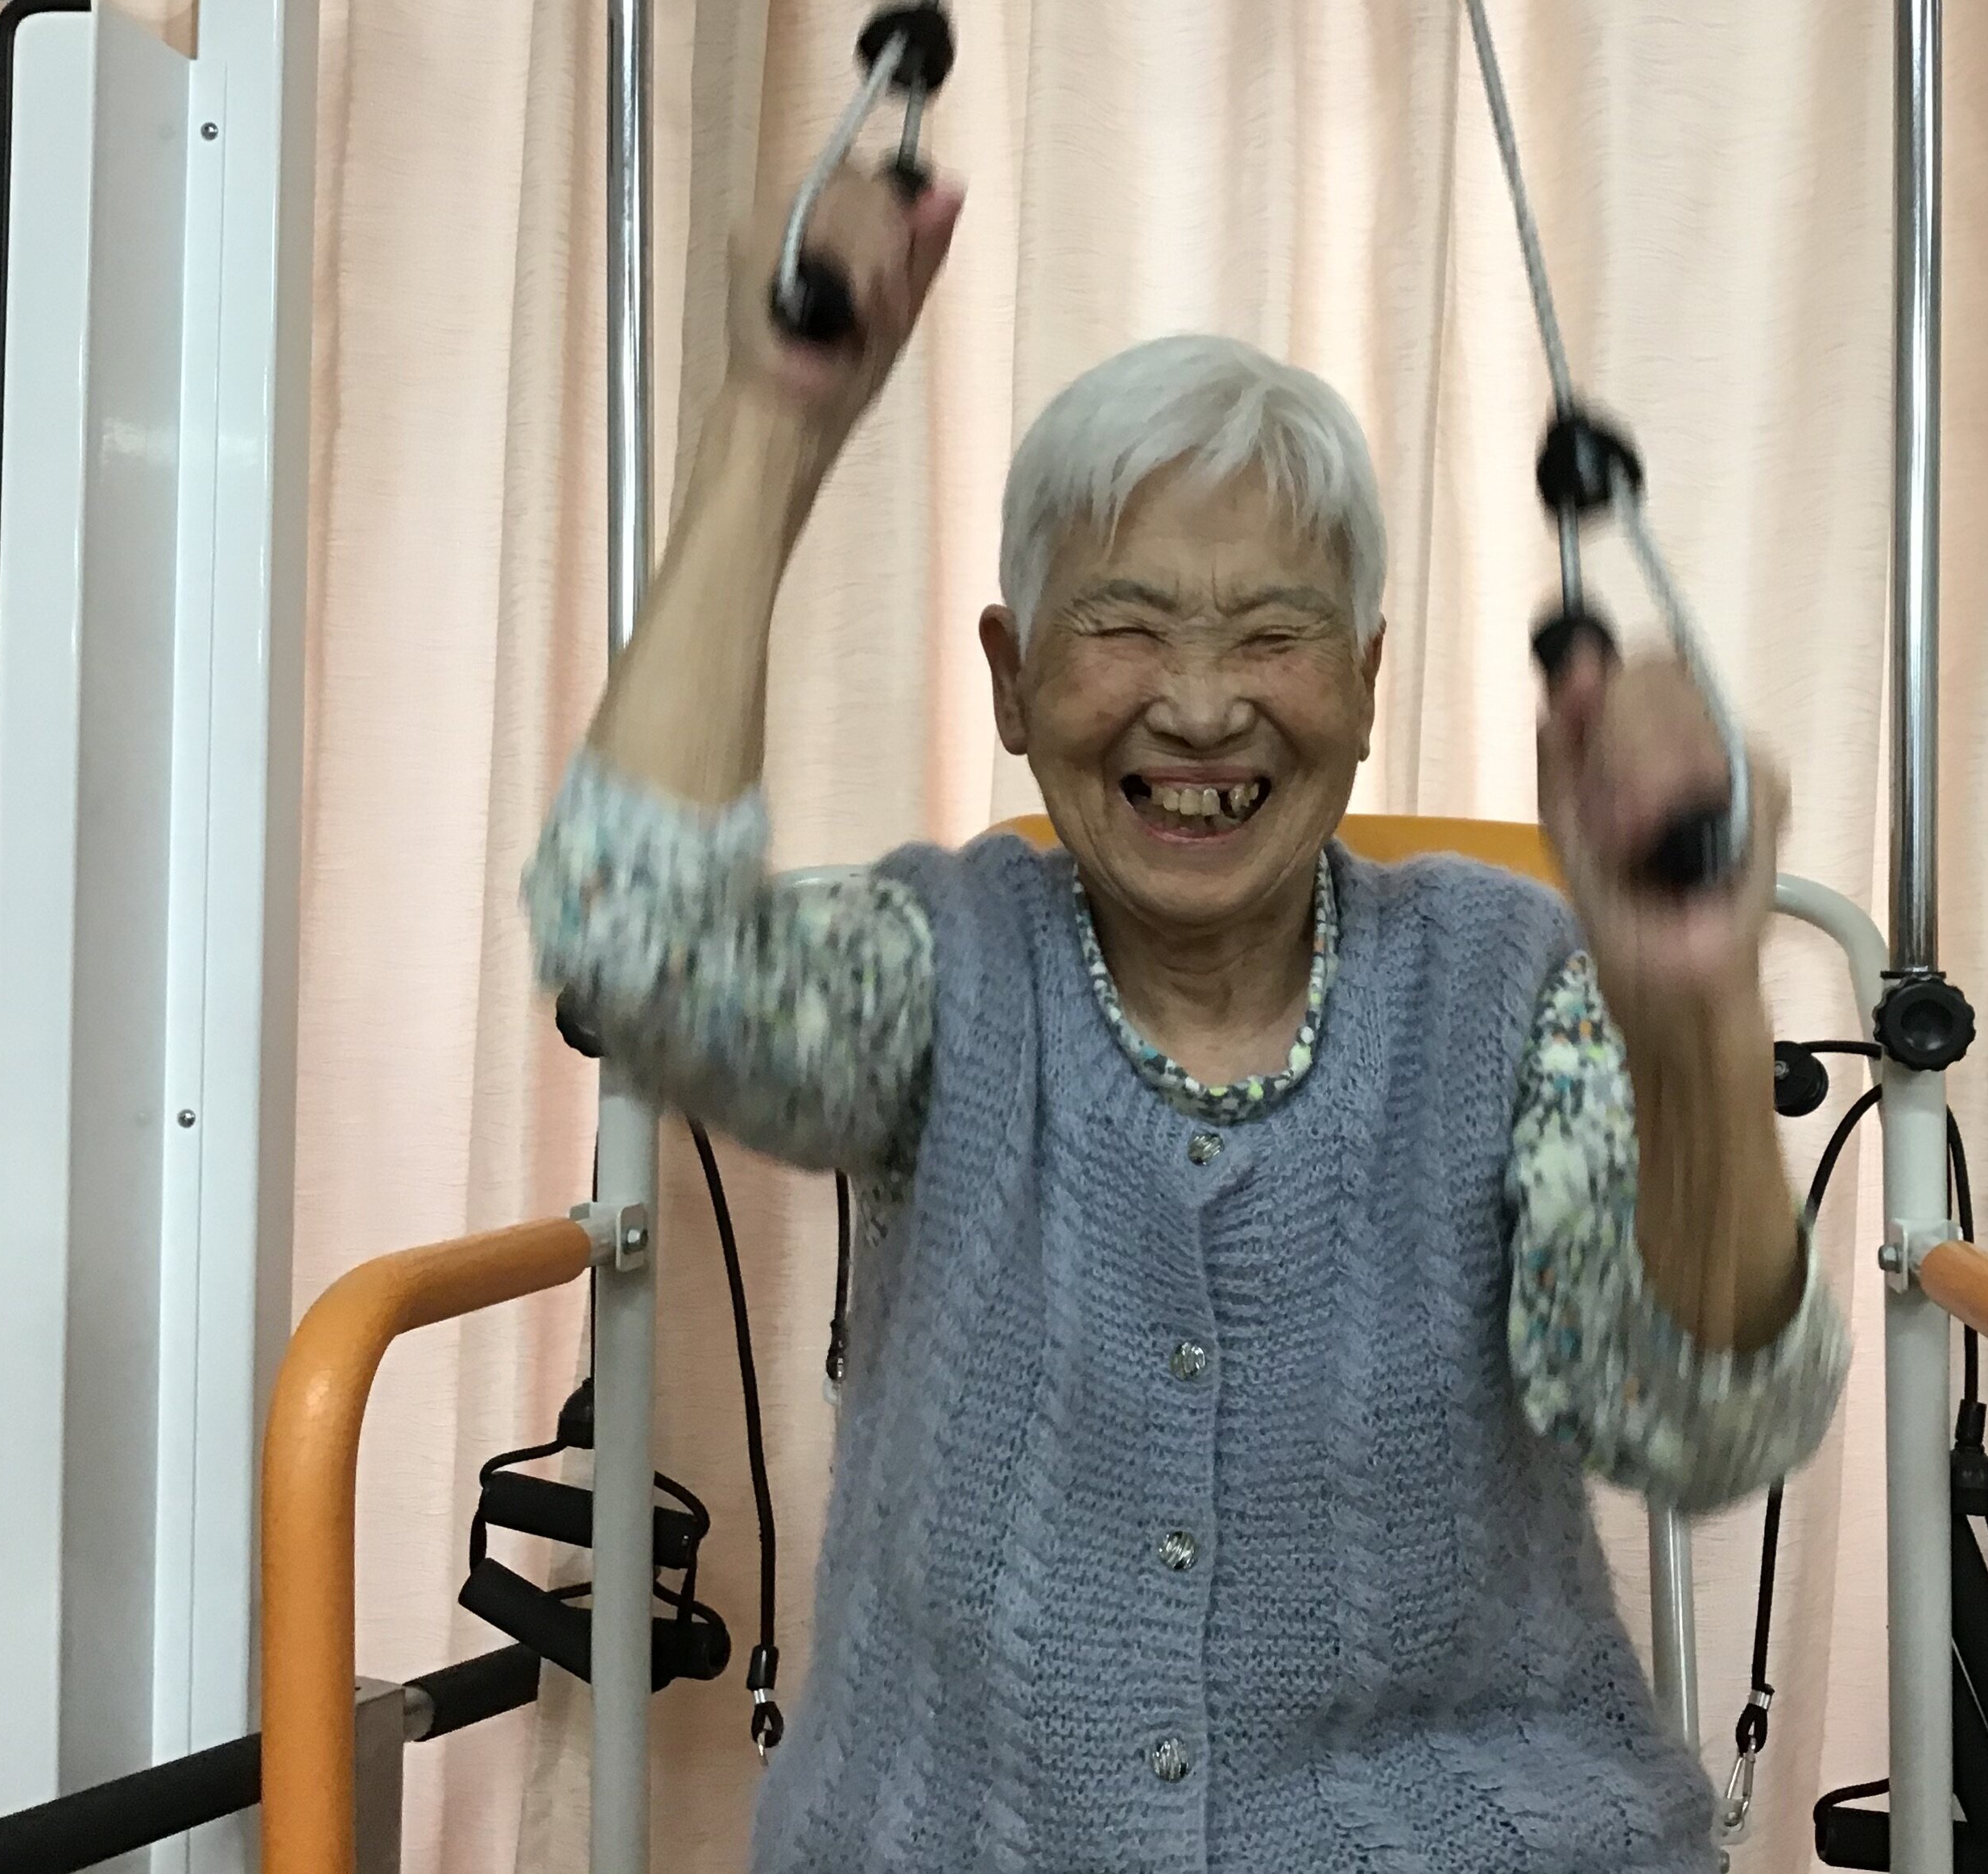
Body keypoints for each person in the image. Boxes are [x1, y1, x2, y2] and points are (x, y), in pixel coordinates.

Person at [527, 163, 1849, 1872]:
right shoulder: (941, 971)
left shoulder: (1515, 990)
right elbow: (635, 947)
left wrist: (1693, 1019)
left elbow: (1700, 1426)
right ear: (1013, 680)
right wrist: (777, 415)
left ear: (1366, 682)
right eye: (1127, 629)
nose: (1206, 706)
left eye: (1275, 637)